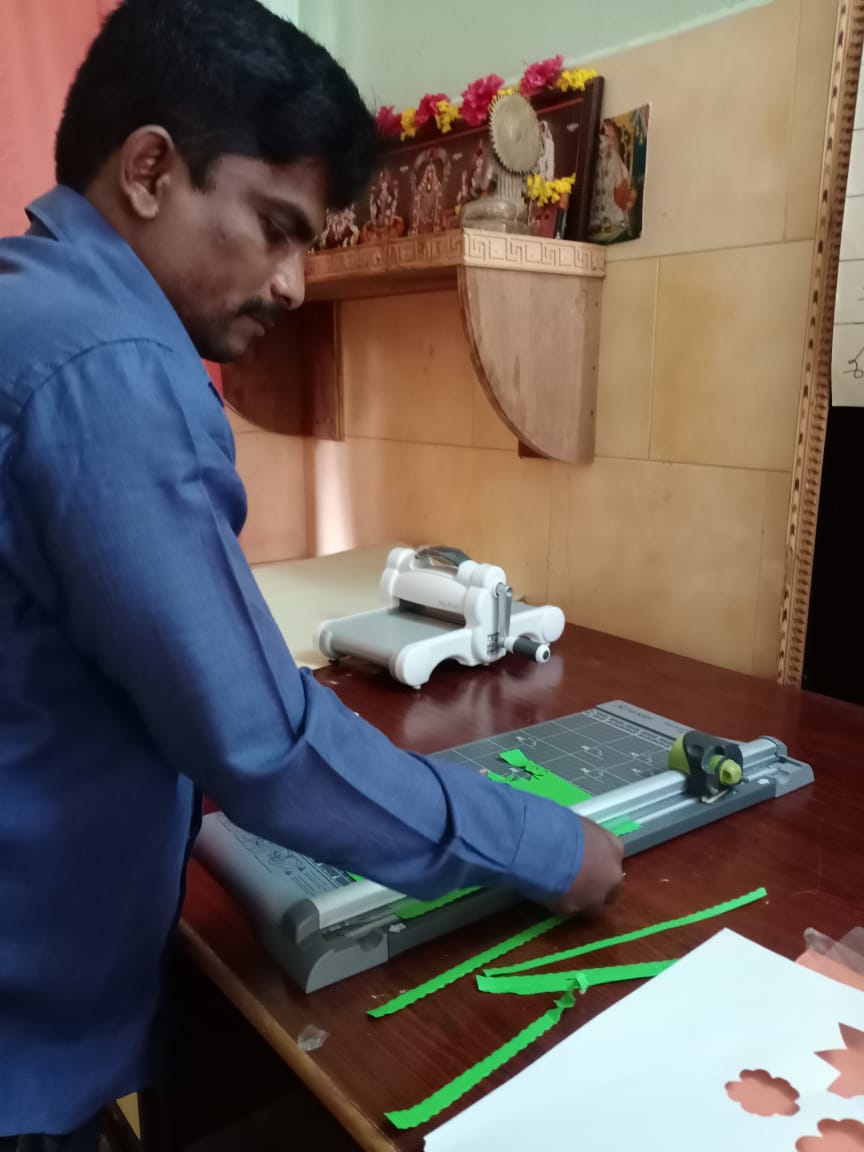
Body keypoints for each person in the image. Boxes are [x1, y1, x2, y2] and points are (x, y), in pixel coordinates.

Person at [0, 1, 624, 1147]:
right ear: (149, 169)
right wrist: (548, 845)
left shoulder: (28, 304)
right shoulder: (108, 368)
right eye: (274, 226)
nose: (292, 284)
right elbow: (263, 743)